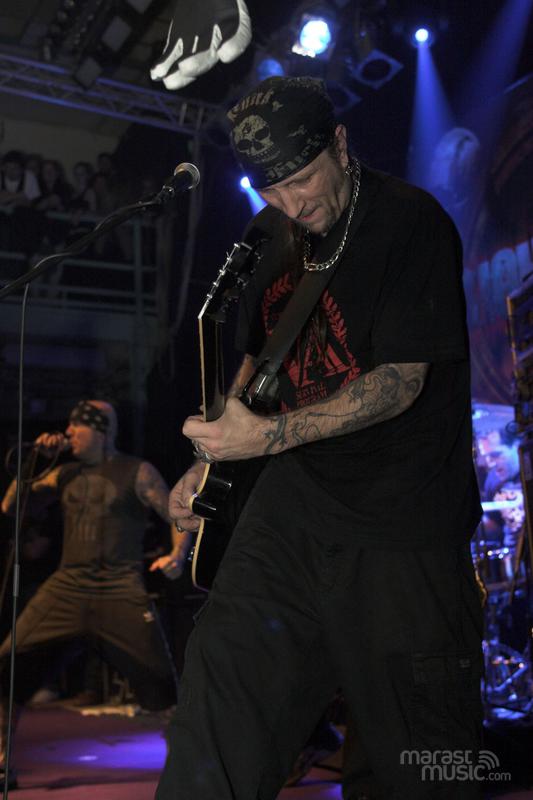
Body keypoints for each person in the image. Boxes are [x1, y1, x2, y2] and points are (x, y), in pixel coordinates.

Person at [157, 76, 484, 799]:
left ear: (340, 143)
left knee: (423, 762)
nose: (292, 204)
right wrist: (209, 460)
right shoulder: (267, 233)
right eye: (271, 189)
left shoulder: (410, 222)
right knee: (221, 699)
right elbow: (256, 363)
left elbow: (401, 379)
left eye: (302, 180)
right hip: (290, 511)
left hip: (401, 520)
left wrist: (267, 438)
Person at [0, 400, 190, 789]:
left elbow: (177, 513)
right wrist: (37, 461)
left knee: (160, 678)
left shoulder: (136, 471)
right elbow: (10, 505)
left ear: (100, 430)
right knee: (7, 663)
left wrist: (177, 554)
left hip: (119, 586)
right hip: (67, 586)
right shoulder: (63, 473)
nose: (69, 433)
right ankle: (2, 760)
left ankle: (188, 765)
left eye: (77, 427)